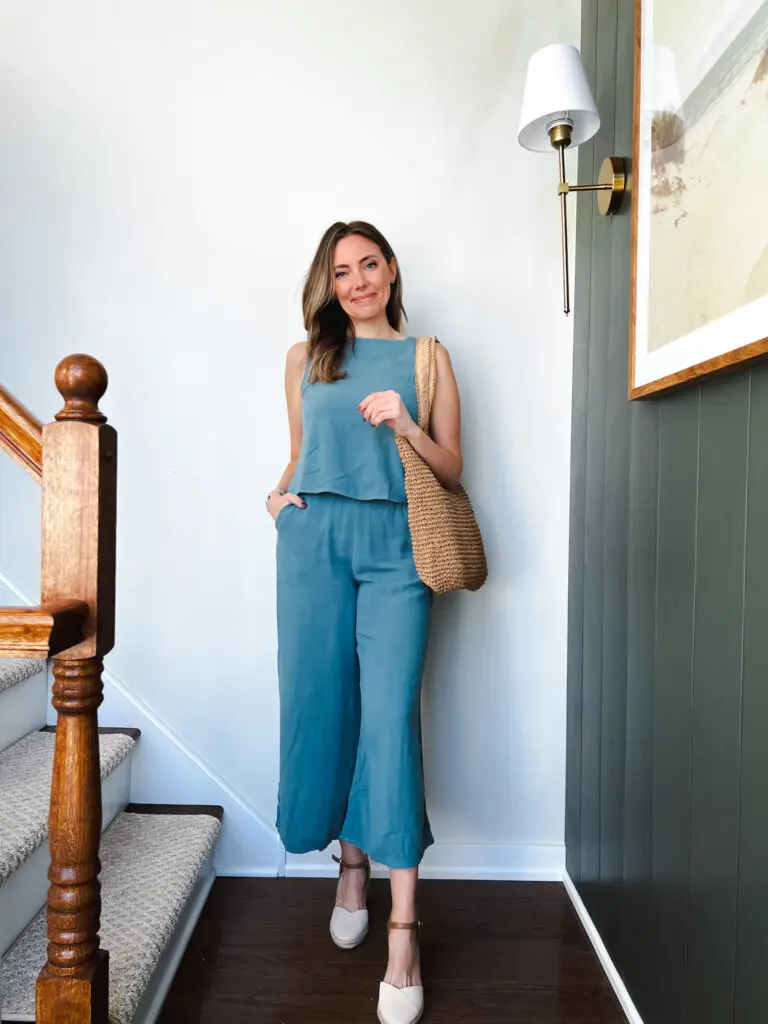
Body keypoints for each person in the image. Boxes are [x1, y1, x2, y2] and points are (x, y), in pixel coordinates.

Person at [267, 220, 463, 1024]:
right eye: (342, 271)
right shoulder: (305, 358)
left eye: (369, 264)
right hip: (313, 544)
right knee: (324, 705)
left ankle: (403, 931)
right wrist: (276, 499)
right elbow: (300, 454)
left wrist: (407, 425)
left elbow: (452, 467)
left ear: (391, 270)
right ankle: (351, 866)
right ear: (329, 283)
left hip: (397, 547)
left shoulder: (427, 358)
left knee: (389, 719)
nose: (357, 282)